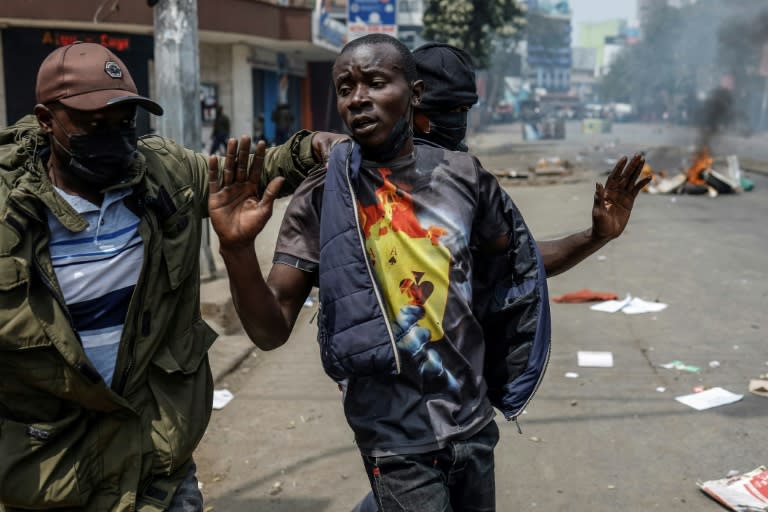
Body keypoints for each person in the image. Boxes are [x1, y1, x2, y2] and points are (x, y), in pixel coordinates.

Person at [209, 34, 637, 511]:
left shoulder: (465, 177)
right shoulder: (325, 193)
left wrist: (596, 236)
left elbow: (517, 266)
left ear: (413, 95)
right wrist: (237, 250)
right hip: (393, 440)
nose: (359, 99)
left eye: (375, 82)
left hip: (472, 426)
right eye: (346, 87)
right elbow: (270, 330)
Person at [0, 41, 332, 512]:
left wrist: (315, 147)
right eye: (93, 126)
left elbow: (260, 169)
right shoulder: (8, 211)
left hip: (157, 470)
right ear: (46, 119)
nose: (112, 139)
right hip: (49, 479)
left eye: (123, 124)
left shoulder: (161, 174)